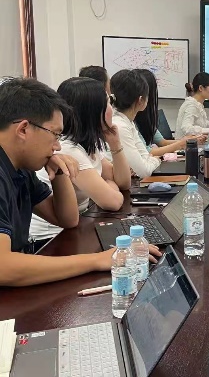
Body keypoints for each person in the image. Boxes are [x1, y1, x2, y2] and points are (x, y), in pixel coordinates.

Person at [0, 78, 160, 287]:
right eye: (55, 135)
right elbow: (4, 267)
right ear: (23, 130)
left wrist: (60, 172)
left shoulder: (21, 169)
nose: (58, 146)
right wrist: (97, 260)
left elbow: (67, 219)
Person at [29, 77, 132, 241]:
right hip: (52, 238)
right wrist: (110, 184)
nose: (112, 109)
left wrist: (115, 144)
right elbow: (112, 202)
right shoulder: (68, 148)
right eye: (107, 103)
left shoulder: (88, 143)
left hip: (77, 225)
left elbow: (124, 183)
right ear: (92, 111)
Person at [133, 69, 205, 157]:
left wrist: (188, 141)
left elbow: (162, 142)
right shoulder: (131, 122)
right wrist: (181, 143)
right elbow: (148, 152)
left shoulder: (146, 117)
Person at [111, 69, 161, 178]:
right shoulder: (120, 126)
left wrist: (149, 160)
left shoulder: (128, 121)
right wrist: (155, 160)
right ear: (140, 100)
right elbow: (144, 171)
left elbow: (145, 156)